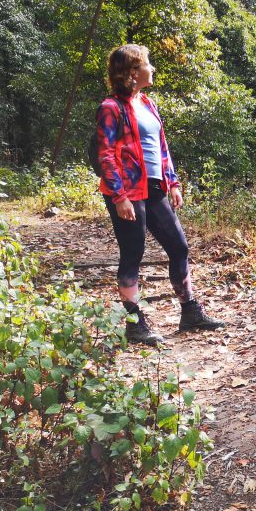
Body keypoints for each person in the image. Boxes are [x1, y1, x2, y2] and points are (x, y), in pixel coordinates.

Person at [96, 43, 224, 344]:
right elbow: (106, 156)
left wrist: (173, 182)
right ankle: (134, 324)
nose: (151, 69)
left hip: (154, 188)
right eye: (146, 64)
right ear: (131, 72)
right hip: (127, 191)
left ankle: (190, 311)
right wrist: (119, 197)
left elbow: (161, 148)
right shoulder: (110, 108)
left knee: (178, 246)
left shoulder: (148, 104)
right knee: (133, 254)